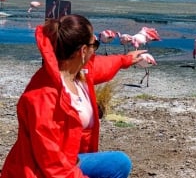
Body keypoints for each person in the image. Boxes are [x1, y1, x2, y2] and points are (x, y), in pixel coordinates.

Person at [0, 14, 147, 178]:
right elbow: (51, 163)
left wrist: (125, 60)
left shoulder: (79, 74)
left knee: (118, 163)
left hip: (68, 159)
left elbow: (103, 65)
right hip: (37, 171)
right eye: (95, 44)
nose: (96, 50)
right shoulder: (43, 96)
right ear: (83, 51)